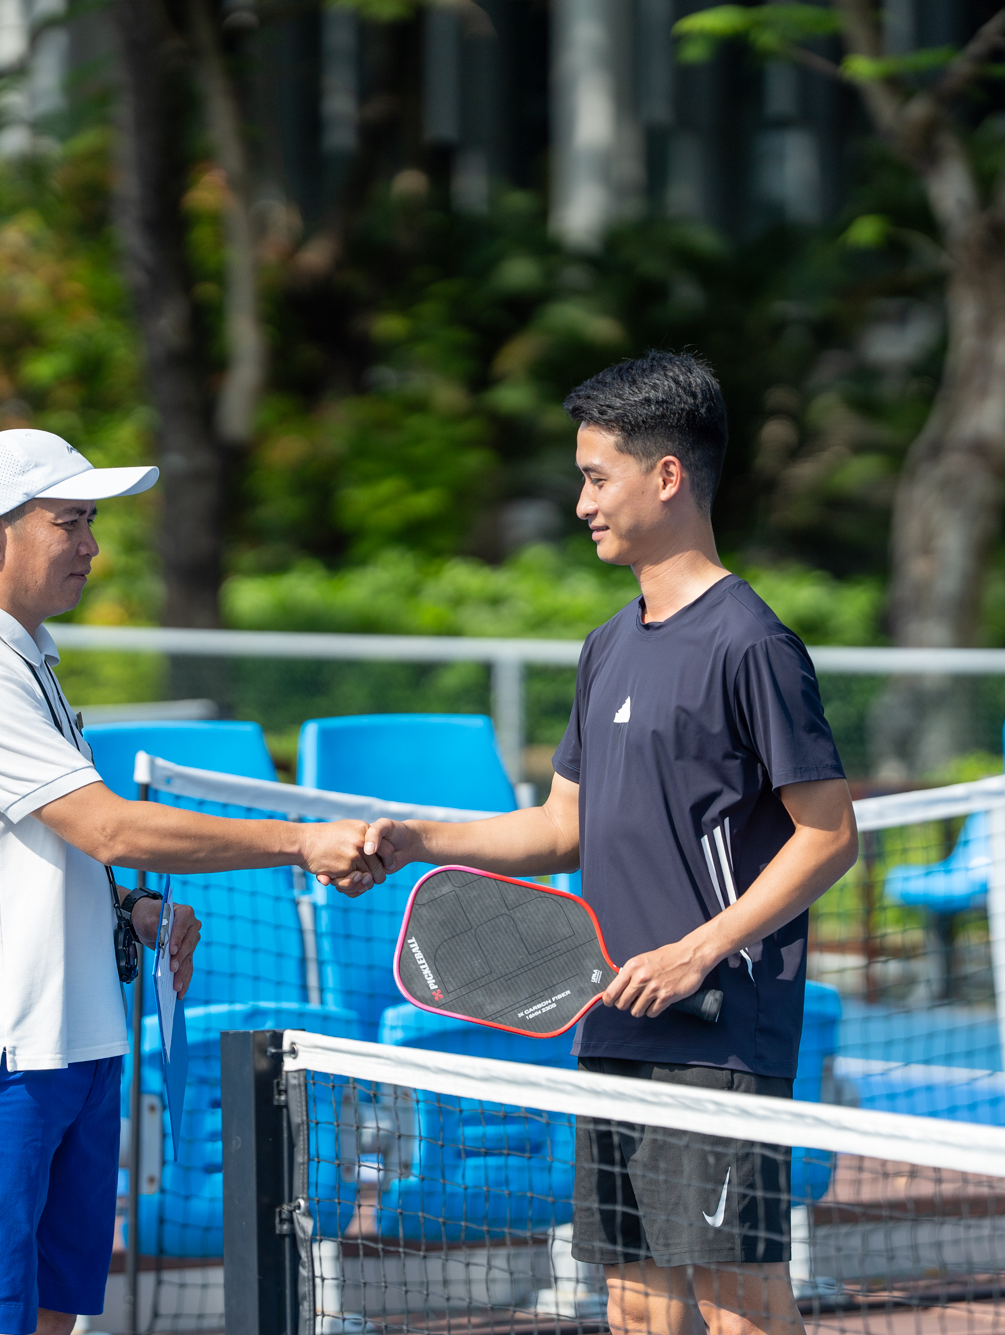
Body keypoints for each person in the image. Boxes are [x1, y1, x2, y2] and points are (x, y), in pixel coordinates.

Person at [367, 353, 858, 1335]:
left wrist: (695, 952)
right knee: (635, 1304)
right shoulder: (606, 646)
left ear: (666, 475)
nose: (581, 502)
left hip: (720, 1031)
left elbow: (830, 836)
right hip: (614, 1024)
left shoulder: (751, 643)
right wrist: (417, 837)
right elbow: (562, 828)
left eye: (597, 477)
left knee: (738, 1302)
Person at [0, 428, 385, 1335]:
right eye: (69, 522)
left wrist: (129, 906)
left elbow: (45, 851)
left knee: (53, 1316)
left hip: (77, 1052)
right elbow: (109, 825)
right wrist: (301, 843)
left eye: (91, 522)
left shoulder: (26, 659)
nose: (92, 545)